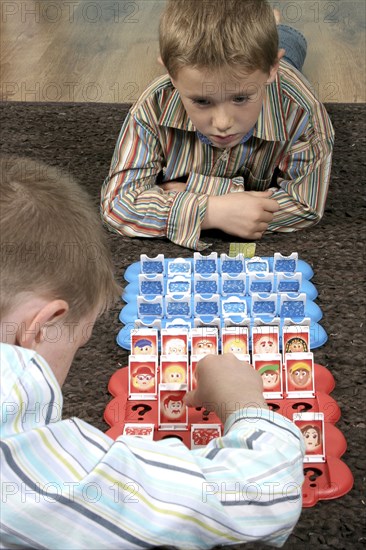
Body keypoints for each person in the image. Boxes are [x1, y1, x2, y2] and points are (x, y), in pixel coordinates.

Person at [1, 156, 304, 549]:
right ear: (41, 326)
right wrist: (244, 404)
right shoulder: (25, 464)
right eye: (81, 339)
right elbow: (264, 494)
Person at [101, 0, 334, 251]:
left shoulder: (302, 111)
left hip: (284, 68)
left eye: (241, 98)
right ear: (171, 74)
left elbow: (306, 206)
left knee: (291, 44)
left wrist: (188, 190)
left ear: (270, 69)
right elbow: (117, 205)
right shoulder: (153, 105)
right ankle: (269, 27)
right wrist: (212, 211)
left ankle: (277, 30)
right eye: (202, 101)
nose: (222, 123)